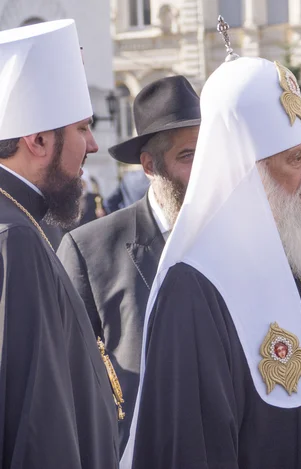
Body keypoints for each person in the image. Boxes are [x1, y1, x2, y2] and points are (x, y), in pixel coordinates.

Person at [121, 52, 301, 469]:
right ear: (246, 174)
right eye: (296, 158)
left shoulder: (296, 256)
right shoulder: (193, 289)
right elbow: (189, 450)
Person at [57, 75, 201, 455]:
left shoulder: (237, 236)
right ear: (150, 166)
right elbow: (70, 384)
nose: (205, 171)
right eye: (188, 156)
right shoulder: (90, 250)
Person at [0, 20, 119, 468]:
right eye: (83, 128)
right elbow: (34, 418)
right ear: (39, 140)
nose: (91, 145)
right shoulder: (16, 240)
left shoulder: (21, 220)